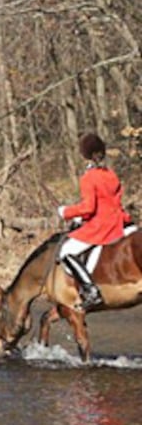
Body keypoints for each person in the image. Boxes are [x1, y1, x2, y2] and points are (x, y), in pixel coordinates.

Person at [57, 133, 132, 312]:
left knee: (65, 252)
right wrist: (80, 217)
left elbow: (89, 207)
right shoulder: (111, 174)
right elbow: (108, 202)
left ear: (85, 154)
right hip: (119, 220)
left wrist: (66, 212)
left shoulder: (89, 177)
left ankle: (91, 292)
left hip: (102, 226)